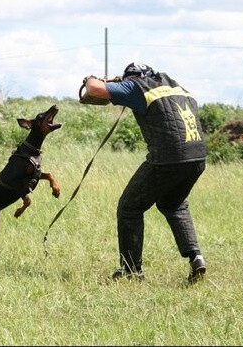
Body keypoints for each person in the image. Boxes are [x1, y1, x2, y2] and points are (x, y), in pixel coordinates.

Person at [79, 62, 207, 283]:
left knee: (129, 207)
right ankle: (196, 257)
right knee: (174, 204)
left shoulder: (136, 87)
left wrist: (91, 79)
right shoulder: (177, 87)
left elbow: (93, 90)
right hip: (197, 157)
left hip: (168, 158)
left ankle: (131, 271)